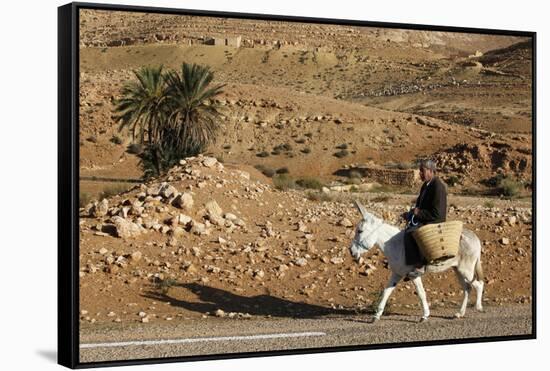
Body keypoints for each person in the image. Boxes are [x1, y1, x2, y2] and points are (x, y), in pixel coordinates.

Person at [402, 159, 448, 278]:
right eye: (420, 171)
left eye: (422, 171)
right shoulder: (426, 185)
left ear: (431, 171)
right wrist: (410, 214)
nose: (420, 174)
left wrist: (418, 213)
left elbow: (438, 214)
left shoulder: (438, 187)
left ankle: (420, 265)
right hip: (425, 219)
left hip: (434, 222)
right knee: (405, 230)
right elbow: (419, 206)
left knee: (411, 232)